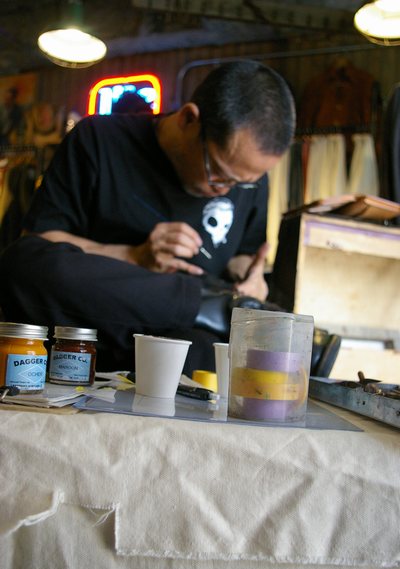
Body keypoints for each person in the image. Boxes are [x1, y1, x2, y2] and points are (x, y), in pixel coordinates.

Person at [0, 60, 295, 374]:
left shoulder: (248, 178)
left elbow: (242, 257)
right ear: (188, 119)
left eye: (243, 183)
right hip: (96, 323)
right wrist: (133, 255)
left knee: (204, 351)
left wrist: (252, 282)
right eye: (219, 175)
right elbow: (42, 243)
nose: (226, 191)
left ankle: (213, 310)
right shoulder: (99, 139)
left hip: (180, 337)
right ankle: (205, 306)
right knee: (21, 263)